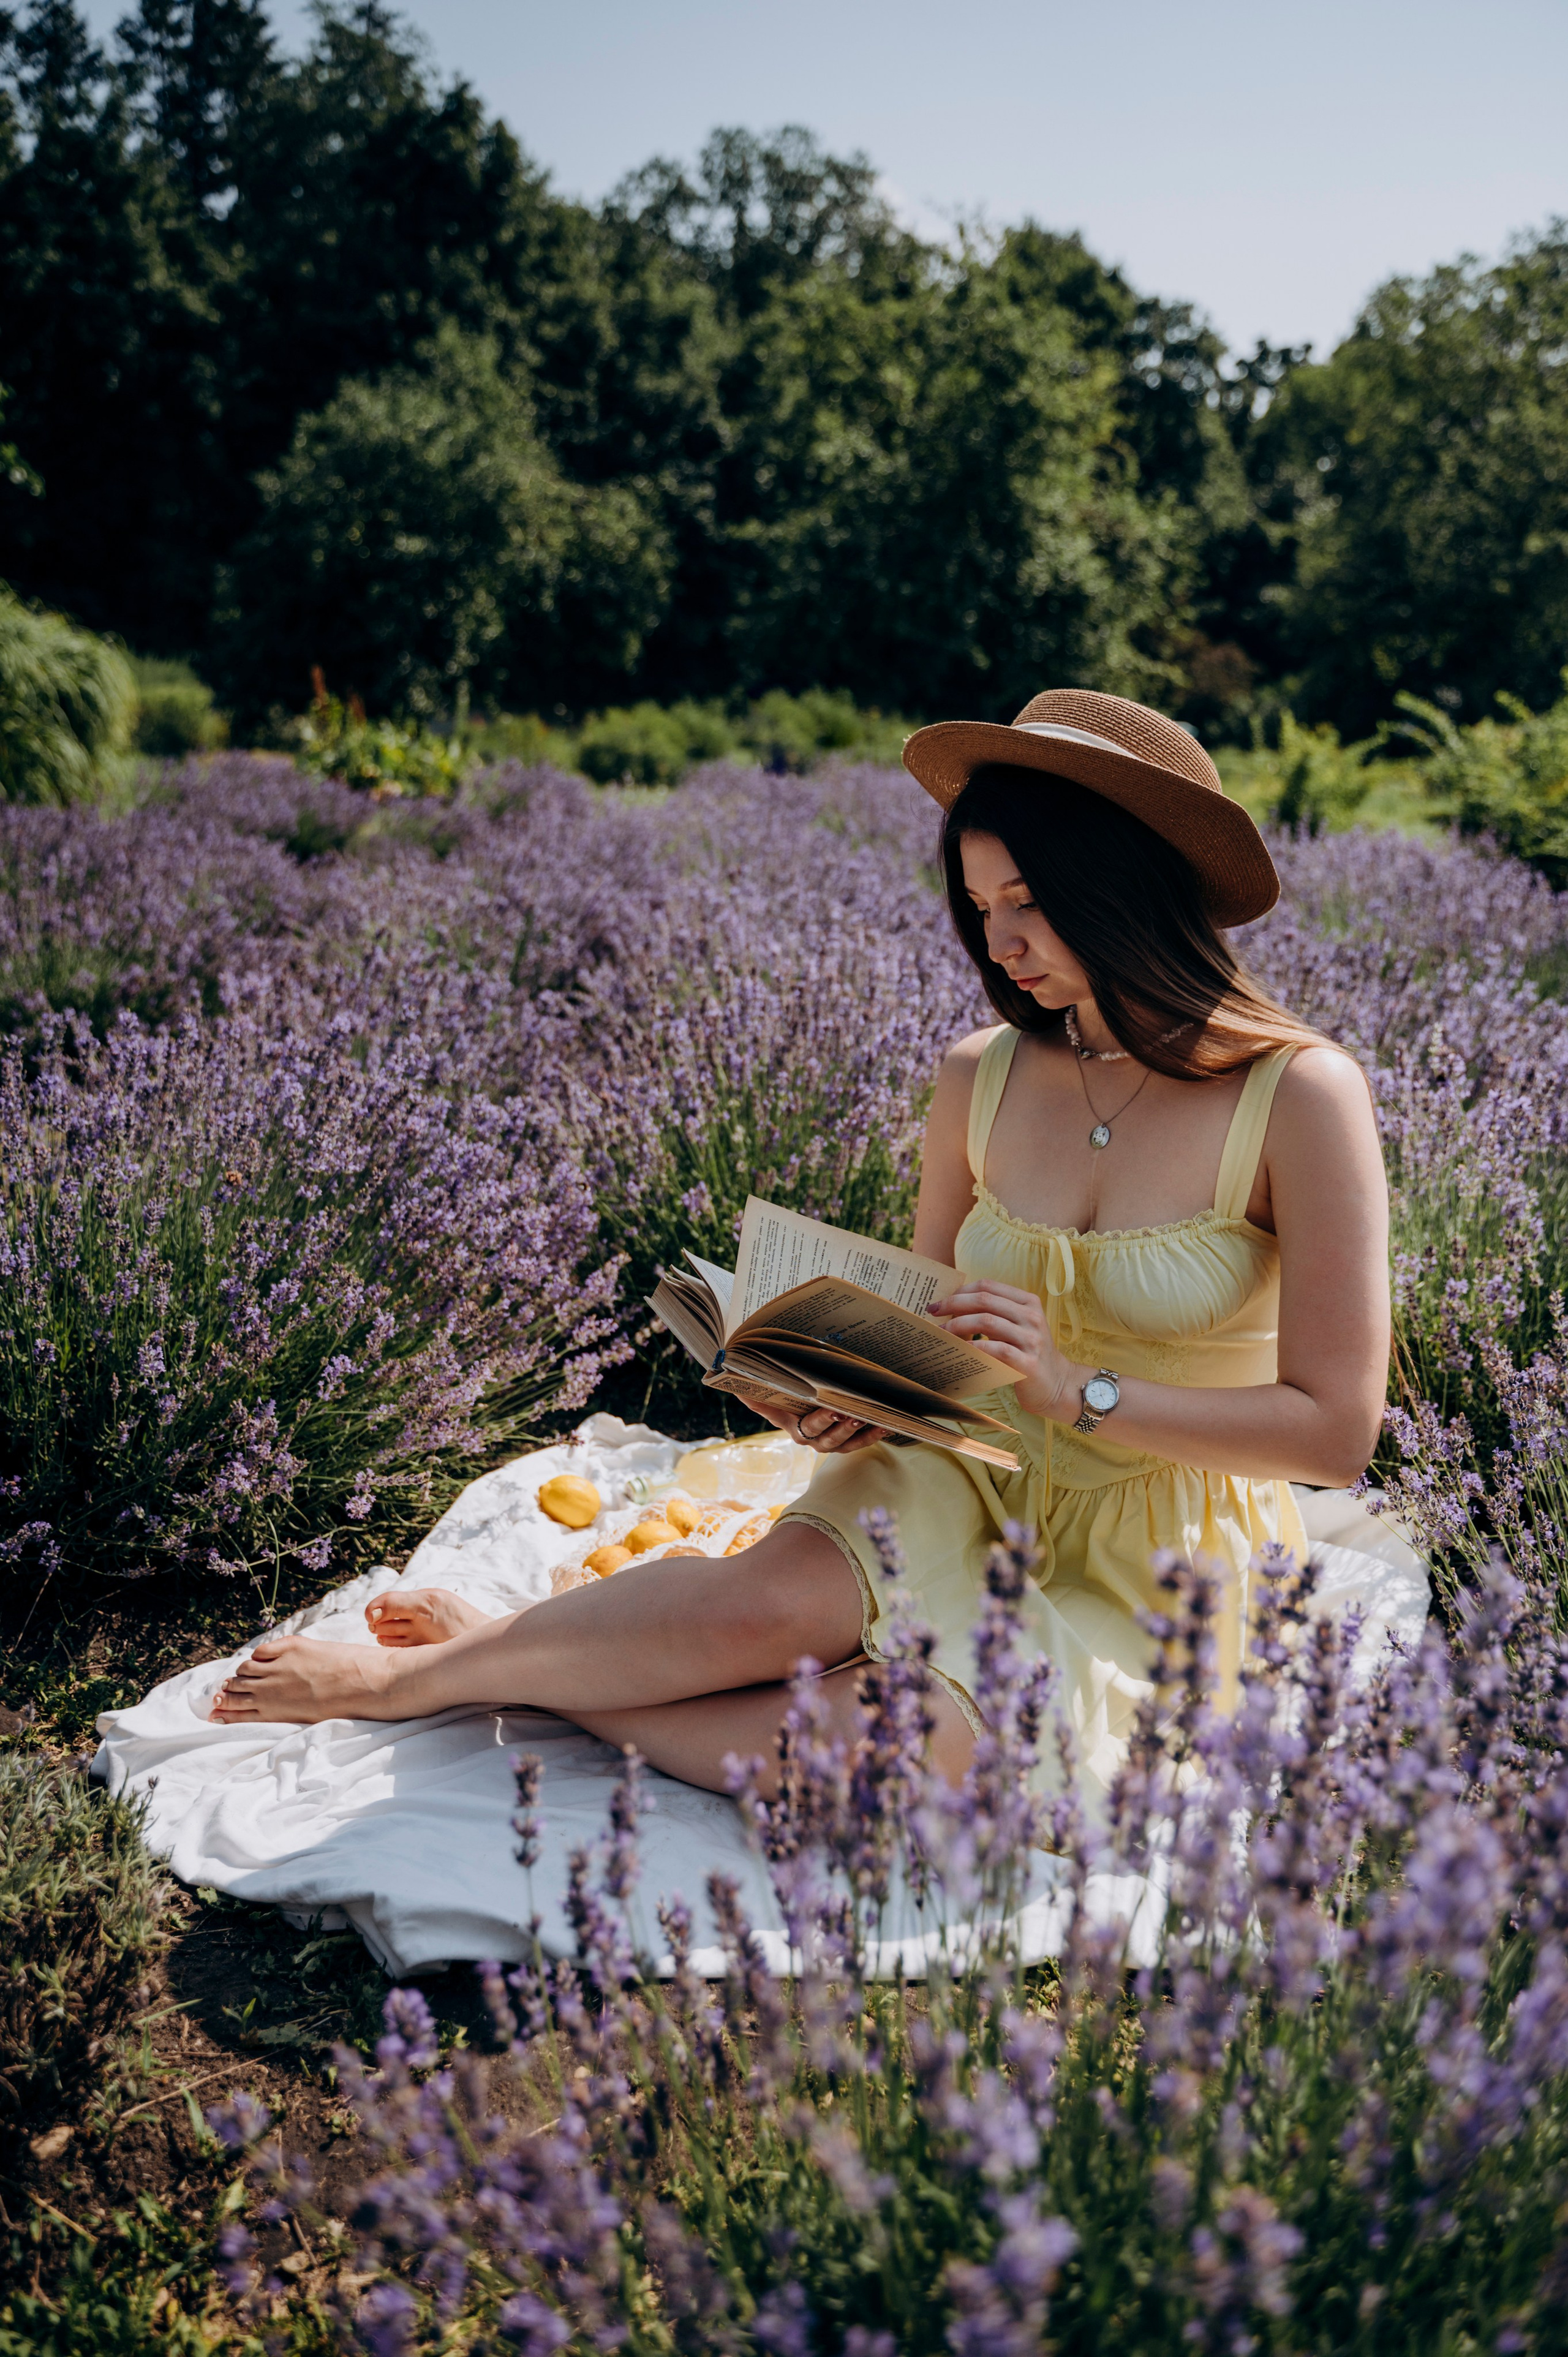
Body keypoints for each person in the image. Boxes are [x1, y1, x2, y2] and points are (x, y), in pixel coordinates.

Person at [210, 689, 1390, 1817]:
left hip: (1161, 1549)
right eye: (982, 909)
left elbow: (1336, 1435)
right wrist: (846, 1397)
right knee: (755, 1613)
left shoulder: (1300, 1096)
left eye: (1029, 896)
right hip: (966, 1464)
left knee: (908, 1745)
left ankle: (517, 1670)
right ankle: (426, 1682)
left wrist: (1074, 1391)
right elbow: (927, 1326)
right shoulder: (979, 1074)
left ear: (1125, 879)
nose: (1005, 941)